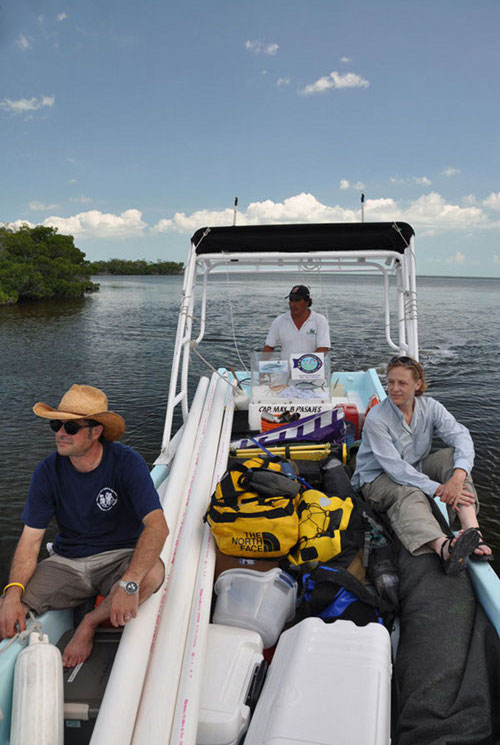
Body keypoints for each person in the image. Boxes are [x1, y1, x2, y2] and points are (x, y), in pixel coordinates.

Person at [0, 384, 168, 667]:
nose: (60, 434)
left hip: (119, 556)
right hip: (67, 562)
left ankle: (89, 621)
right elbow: (30, 542)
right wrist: (12, 593)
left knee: (151, 574)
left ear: (96, 431)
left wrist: (128, 584)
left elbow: (157, 527)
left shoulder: (126, 463)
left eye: (71, 427)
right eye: (56, 425)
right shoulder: (46, 472)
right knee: (10, 608)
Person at [352, 356, 492, 574]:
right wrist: (438, 488)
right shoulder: (377, 418)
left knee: (453, 458)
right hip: (376, 479)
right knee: (409, 492)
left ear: (417, 385)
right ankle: (443, 547)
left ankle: (472, 531)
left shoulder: (431, 407)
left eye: (402, 383)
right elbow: (396, 469)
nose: (394, 389)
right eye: (390, 382)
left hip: (415, 466)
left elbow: (461, 436)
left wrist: (457, 478)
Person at [263, 284, 330, 361]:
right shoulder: (279, 321)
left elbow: (323, 348)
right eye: (291, 300)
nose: (293, 304)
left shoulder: (320, 320)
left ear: (307, 302)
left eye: (297, 300)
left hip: (311, 369)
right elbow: (269, 347)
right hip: (286, 370)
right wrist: (262, 368)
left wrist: (303, 366)